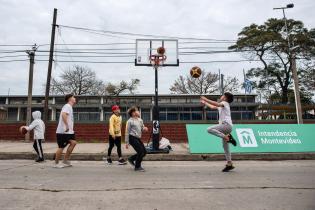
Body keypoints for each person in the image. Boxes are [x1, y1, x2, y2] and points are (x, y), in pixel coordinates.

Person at [200, 92, 237, 172]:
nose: (221, 96)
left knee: (209, 129)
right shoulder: (222, 106)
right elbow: (213, 107)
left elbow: (216, 104)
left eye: (223, 95)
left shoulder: (225, 103)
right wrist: (205, 102)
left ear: (225, 98)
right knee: (225, 147)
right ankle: (229, 163)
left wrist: (206, 99)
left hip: (226, 126)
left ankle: (226, 137)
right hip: (227, 127)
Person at [54, 94, 77, 168]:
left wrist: (70, 128)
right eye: (73, 97)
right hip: (63, 131)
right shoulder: (67, 106)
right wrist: (67, 125)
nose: (75, 98)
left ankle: (65, 160)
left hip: (69, 131)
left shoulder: (69, 107)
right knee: (61, 147)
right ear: (70, 99)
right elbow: (63, 115)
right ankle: (56, 163)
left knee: (73, 143)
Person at [125, 106, 148, 172]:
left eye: (137, 110)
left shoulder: (140, 120)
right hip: (132, 138)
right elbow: (127, 132)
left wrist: (144, 128)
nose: (138, 112)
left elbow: (142, 128)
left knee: (144, 152)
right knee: (140, 152)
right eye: (136, 111)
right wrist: (127, 142)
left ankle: (131, 159)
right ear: (133, 113)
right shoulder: (129, 121)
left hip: (138, 138)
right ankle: (137, 167)